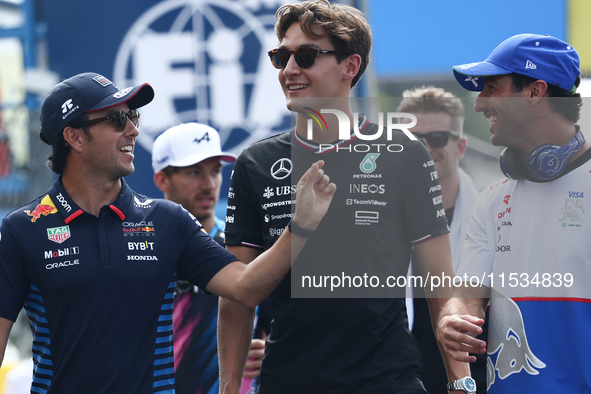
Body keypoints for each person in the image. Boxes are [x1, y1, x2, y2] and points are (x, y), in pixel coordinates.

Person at [0, 72, 336, 394]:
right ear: (73, 137)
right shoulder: (21, 229)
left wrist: (301, 226)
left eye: (133, 116)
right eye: (117, 120)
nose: (132, 130)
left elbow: (244, 287)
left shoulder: (167, 220)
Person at [219, 1, 461, 393]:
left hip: (387, 380)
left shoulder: (403, 152)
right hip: (289, 382)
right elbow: (236, 297)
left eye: (306, 55)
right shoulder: (255, 163)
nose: (289, 70)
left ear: (351, 66)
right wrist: (228, 388)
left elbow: (439, 284)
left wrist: (461, 383)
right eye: (281, 56)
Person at [437, 34, 591, 393]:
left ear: (536, 92)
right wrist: (452, 319)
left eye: (492, 88)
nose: (479, 104)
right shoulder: (492, 200)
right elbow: (467, 298)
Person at [397, 87, 486, 394]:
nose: (423, 148)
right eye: (411, 140)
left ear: (460, 146)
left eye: (436, 139)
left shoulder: (496, 218)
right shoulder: (371, 220)